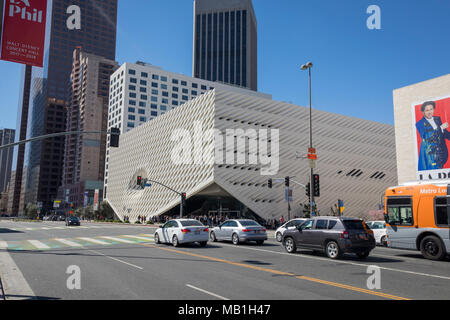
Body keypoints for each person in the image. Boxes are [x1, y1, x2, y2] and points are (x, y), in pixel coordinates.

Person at [416, 101, 450, 170]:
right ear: (423, 112)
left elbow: (444, 133)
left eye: (431, 109)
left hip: (442, 155)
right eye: (427, 110)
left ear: (434, 109)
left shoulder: (437, 119)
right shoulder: (419, 124)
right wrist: (440, 128)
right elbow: (427, 137)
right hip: (430, 158)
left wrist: (443, 130)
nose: (429, 112)